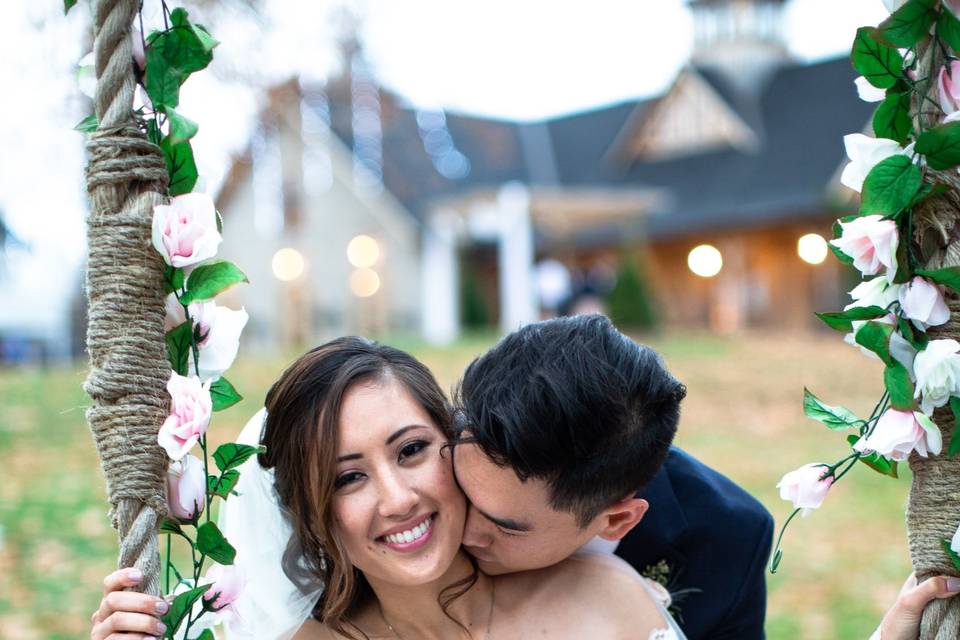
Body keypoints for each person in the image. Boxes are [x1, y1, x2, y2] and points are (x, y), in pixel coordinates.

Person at [91, 337, 682, 640]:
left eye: (411, 450)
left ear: (456, 441)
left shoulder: (602, 598)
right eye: (348, 478)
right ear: (308, 508)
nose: (397, 499)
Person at [450, 314, 772, 639]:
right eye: (462, 491)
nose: (463, 534)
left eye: (505, 526)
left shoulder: (729, 539)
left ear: (619, 520)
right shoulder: (423, 480)